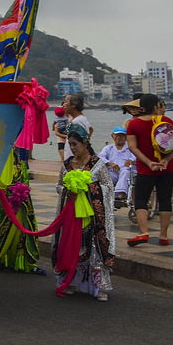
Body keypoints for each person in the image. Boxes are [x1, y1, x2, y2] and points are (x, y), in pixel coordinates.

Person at [53, 124, 115, 301]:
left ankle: (100, 286)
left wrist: (88, 189)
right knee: (72, 247)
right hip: (72, 215)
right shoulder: (66, 165)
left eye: (75, 144)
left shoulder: (97, 164)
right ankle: (71, 281)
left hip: (92, 216)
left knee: (94, 247)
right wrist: (68, 190)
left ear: (85, 143)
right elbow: (59, 186)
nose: (72, 148)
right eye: (70, 144)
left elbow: (108, 187)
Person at [126, 94, 173, 246]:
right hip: (167, 168)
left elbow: (132, 147)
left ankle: (143, 232)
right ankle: (163, 236)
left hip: (146, 169)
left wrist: (148, 162)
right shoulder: (166, 121)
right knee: (165, 200)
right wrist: (166, 159)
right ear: (156, 107)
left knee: (141, 199)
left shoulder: (133, 124)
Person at [98, 126, 136, 203]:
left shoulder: (130, 148)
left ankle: (120, 195)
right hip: (112, 171)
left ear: (126, 137)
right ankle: (104, 196)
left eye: (122, 135)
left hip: (126, 172)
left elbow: (136, 156)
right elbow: (100, 157)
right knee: (105, 176)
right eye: (117, 135)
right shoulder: (108, 148)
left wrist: (131, 160)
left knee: (125, 172)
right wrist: (109, 163)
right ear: (113, 136)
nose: (119, 137)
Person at [61, 93, 92, 160]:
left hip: (75, 160)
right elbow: (91, 129)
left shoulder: (77, 121)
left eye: (66, 102)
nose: (63, 105)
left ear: (74, 105)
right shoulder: (80, 119)